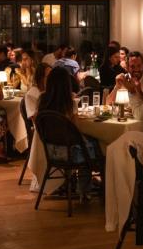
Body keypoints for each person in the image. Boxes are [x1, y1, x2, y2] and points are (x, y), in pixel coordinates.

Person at [36, 67, 98, 201]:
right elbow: (76, 129)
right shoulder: (69, 103)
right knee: (95, 144)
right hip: (70, 154)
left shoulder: (42, 99)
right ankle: (84, 191)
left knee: (84, 143)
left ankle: (74, 185)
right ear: (67, 84)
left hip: (50, 150)